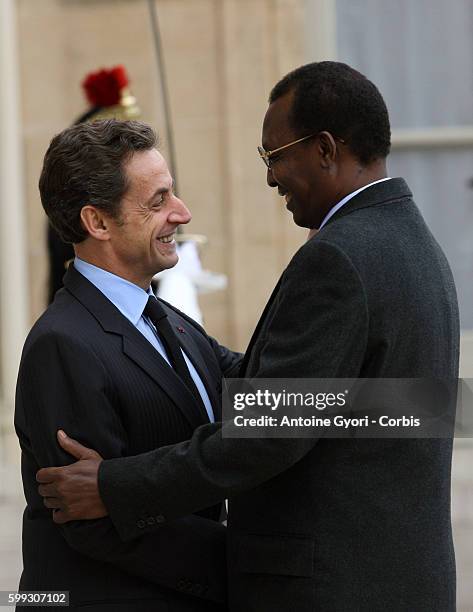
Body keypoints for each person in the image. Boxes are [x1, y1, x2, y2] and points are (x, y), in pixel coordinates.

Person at [37, 62, 459, 611]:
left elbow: (270, 433)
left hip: (336, 587)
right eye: (159, 199)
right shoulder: (414, 242)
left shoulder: (339, 256)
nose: (270, 176)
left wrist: (114, 488)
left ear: (326, 149)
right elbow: (411, 408)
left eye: (276, 154)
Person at [15, 119, 242, 611]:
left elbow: (255, 388)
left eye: (172, 195)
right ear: (97, 222)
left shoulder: (170, 320)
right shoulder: (62, 343)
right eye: (158, 201)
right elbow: (95, 525)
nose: (181, 214)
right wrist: (246, 562)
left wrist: (416, 402)